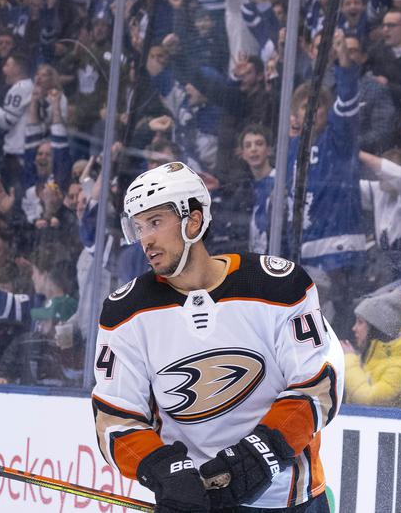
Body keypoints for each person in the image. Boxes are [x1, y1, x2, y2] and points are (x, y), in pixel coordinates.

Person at [91, 161, 343, 513]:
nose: (145, 238)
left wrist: (261, 451)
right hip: (197, 503)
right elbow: (116, 418)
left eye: (155, 222)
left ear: (192, 221)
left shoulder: (277, 286)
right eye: (138, 227)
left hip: (289, 499)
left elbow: (318, 385)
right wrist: (162, 470)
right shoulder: (125, 313)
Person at [342, 291, 401, 407]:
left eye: (360, 322)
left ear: (376, 327)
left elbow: (370, 402)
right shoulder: (372, 360)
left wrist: (349, 362)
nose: (354, 328)